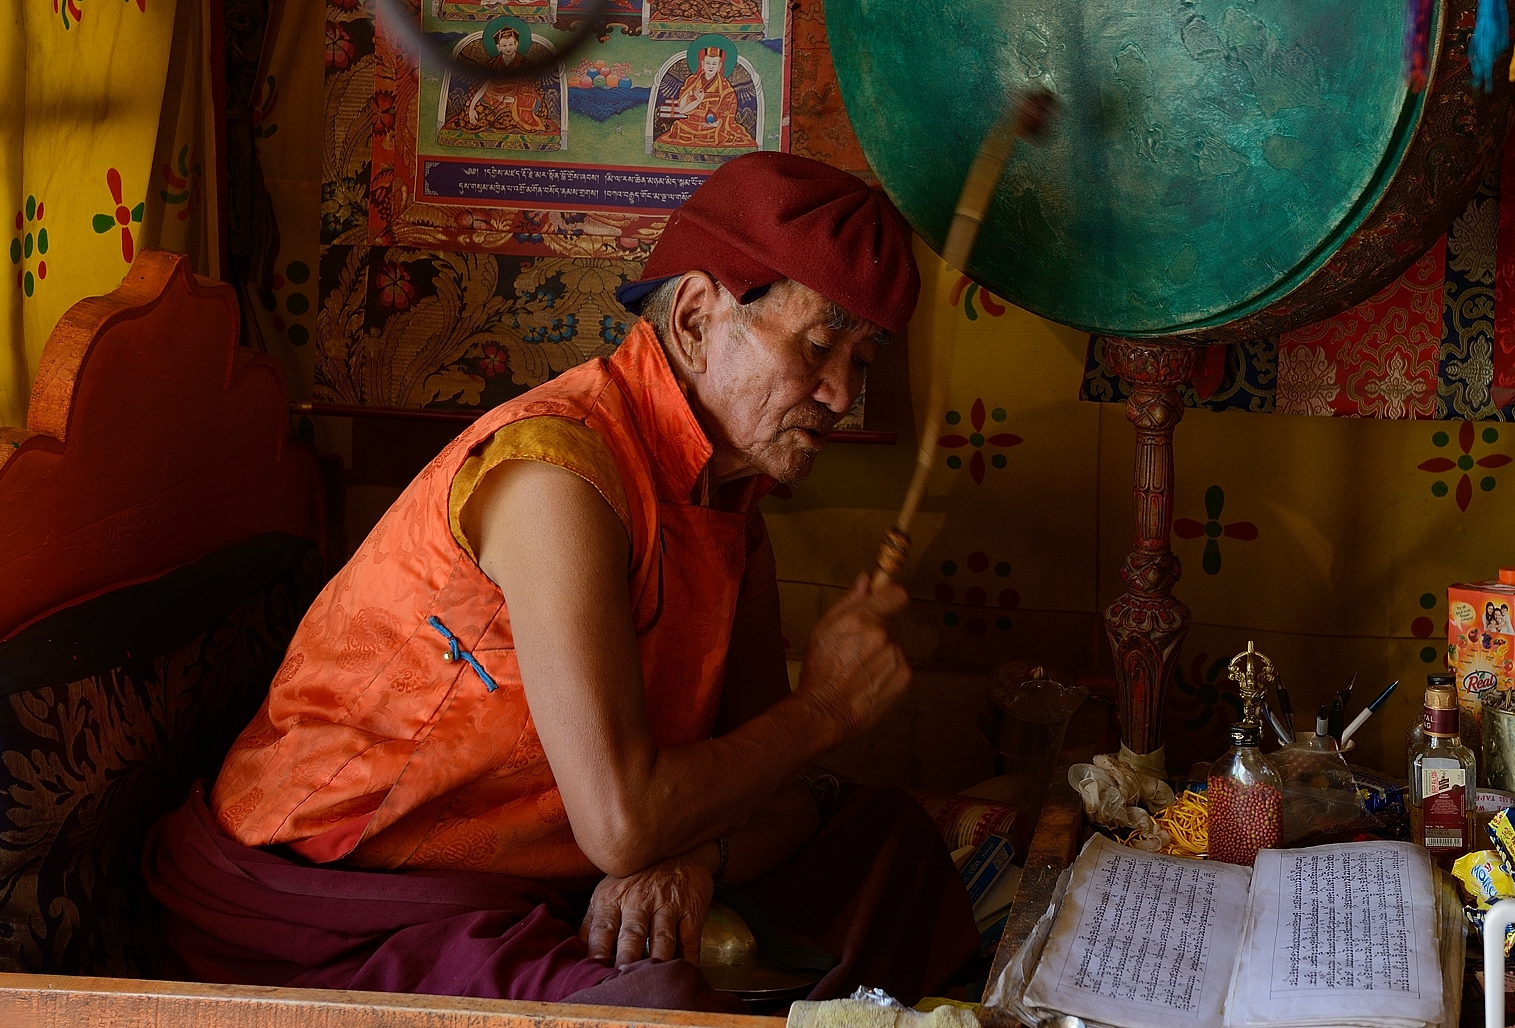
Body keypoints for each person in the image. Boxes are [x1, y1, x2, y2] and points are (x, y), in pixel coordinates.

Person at [145, 154, 978, 1010]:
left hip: (544, 873)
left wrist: (698, 862)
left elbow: (781, 783)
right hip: (340, 887)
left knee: (888, 842)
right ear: (694, 316)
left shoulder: (730, 502)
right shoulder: (559, 475)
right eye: (818, 344)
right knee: (655, 1009)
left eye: (863, 360)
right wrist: (828, 709)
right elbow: (625, 824)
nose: (842, 394)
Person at [652, 41, 757, 160]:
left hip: (715, 124)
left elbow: (729, 111)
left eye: (714, 63)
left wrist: (719, 122)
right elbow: (682, 109)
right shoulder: (692, 82)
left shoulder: (725, 87)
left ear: (719, 66)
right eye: (708, 63)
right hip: (693, 122)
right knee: (678, 125)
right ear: (702, 64)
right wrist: (697, 101)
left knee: (719, 133)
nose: (711, 66)